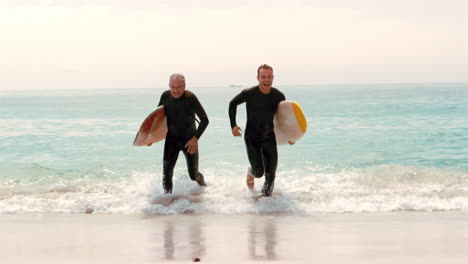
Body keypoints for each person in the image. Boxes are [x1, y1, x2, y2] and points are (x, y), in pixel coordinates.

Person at [228, 64, 294, 197]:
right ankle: (250, 172)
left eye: (269, 76)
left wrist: (290, 135)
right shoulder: (249, 93)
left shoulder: (278, 96)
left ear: (273, 78)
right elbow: (232, 104)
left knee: (270, 177)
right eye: (263, 76)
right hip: (252, 138)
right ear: (258, 78)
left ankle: (265, 209)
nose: (266, 79)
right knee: (259, 172)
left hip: (269, 137)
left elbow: (284, 118)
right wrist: (233, 125)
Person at [156, 73, 209, 193]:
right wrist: (150, 138)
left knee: (193, 175)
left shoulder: (190, 97)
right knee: (166, 174)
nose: (175, 90)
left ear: (184, 86)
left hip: (189, 141)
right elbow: (158, 119)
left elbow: (205, 120)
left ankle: (203, 186)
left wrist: (195, 139)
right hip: (171, 140)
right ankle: (167, 203)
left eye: (179, 87)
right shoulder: (165, 96)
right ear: (169, 85)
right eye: (172, 87)